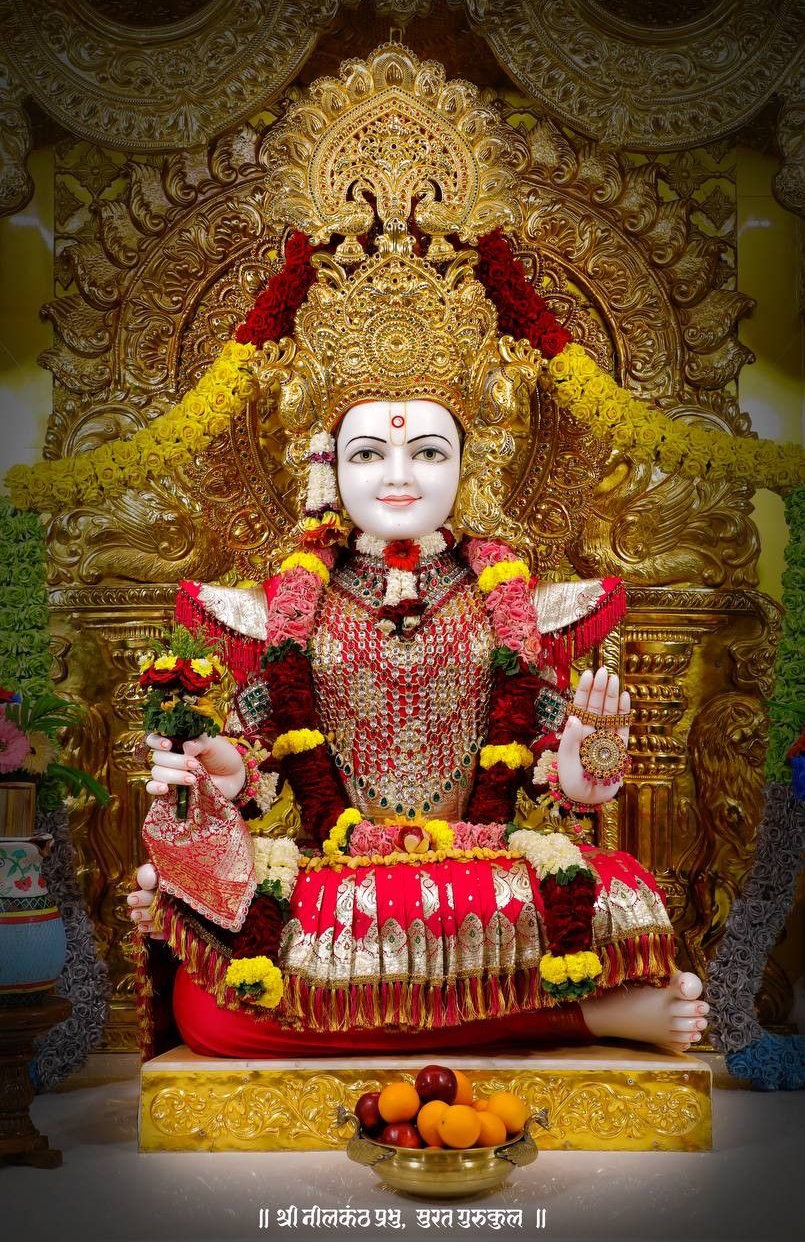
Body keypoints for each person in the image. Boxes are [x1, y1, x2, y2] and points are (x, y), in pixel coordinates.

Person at [127, 305, 708, 1056]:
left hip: (485, 865)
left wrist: (578, 772)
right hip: (338, 875)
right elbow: (258, 758)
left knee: (614, 891)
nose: (398, 476)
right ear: (328, 468)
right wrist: (229, 769)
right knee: (208, 1010)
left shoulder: (511, 605)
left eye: (428, 452)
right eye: (368, 454)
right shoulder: (286, 610)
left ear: (468, 465)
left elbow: (547, 756)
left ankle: (489, 1011)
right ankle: (585, 1018)